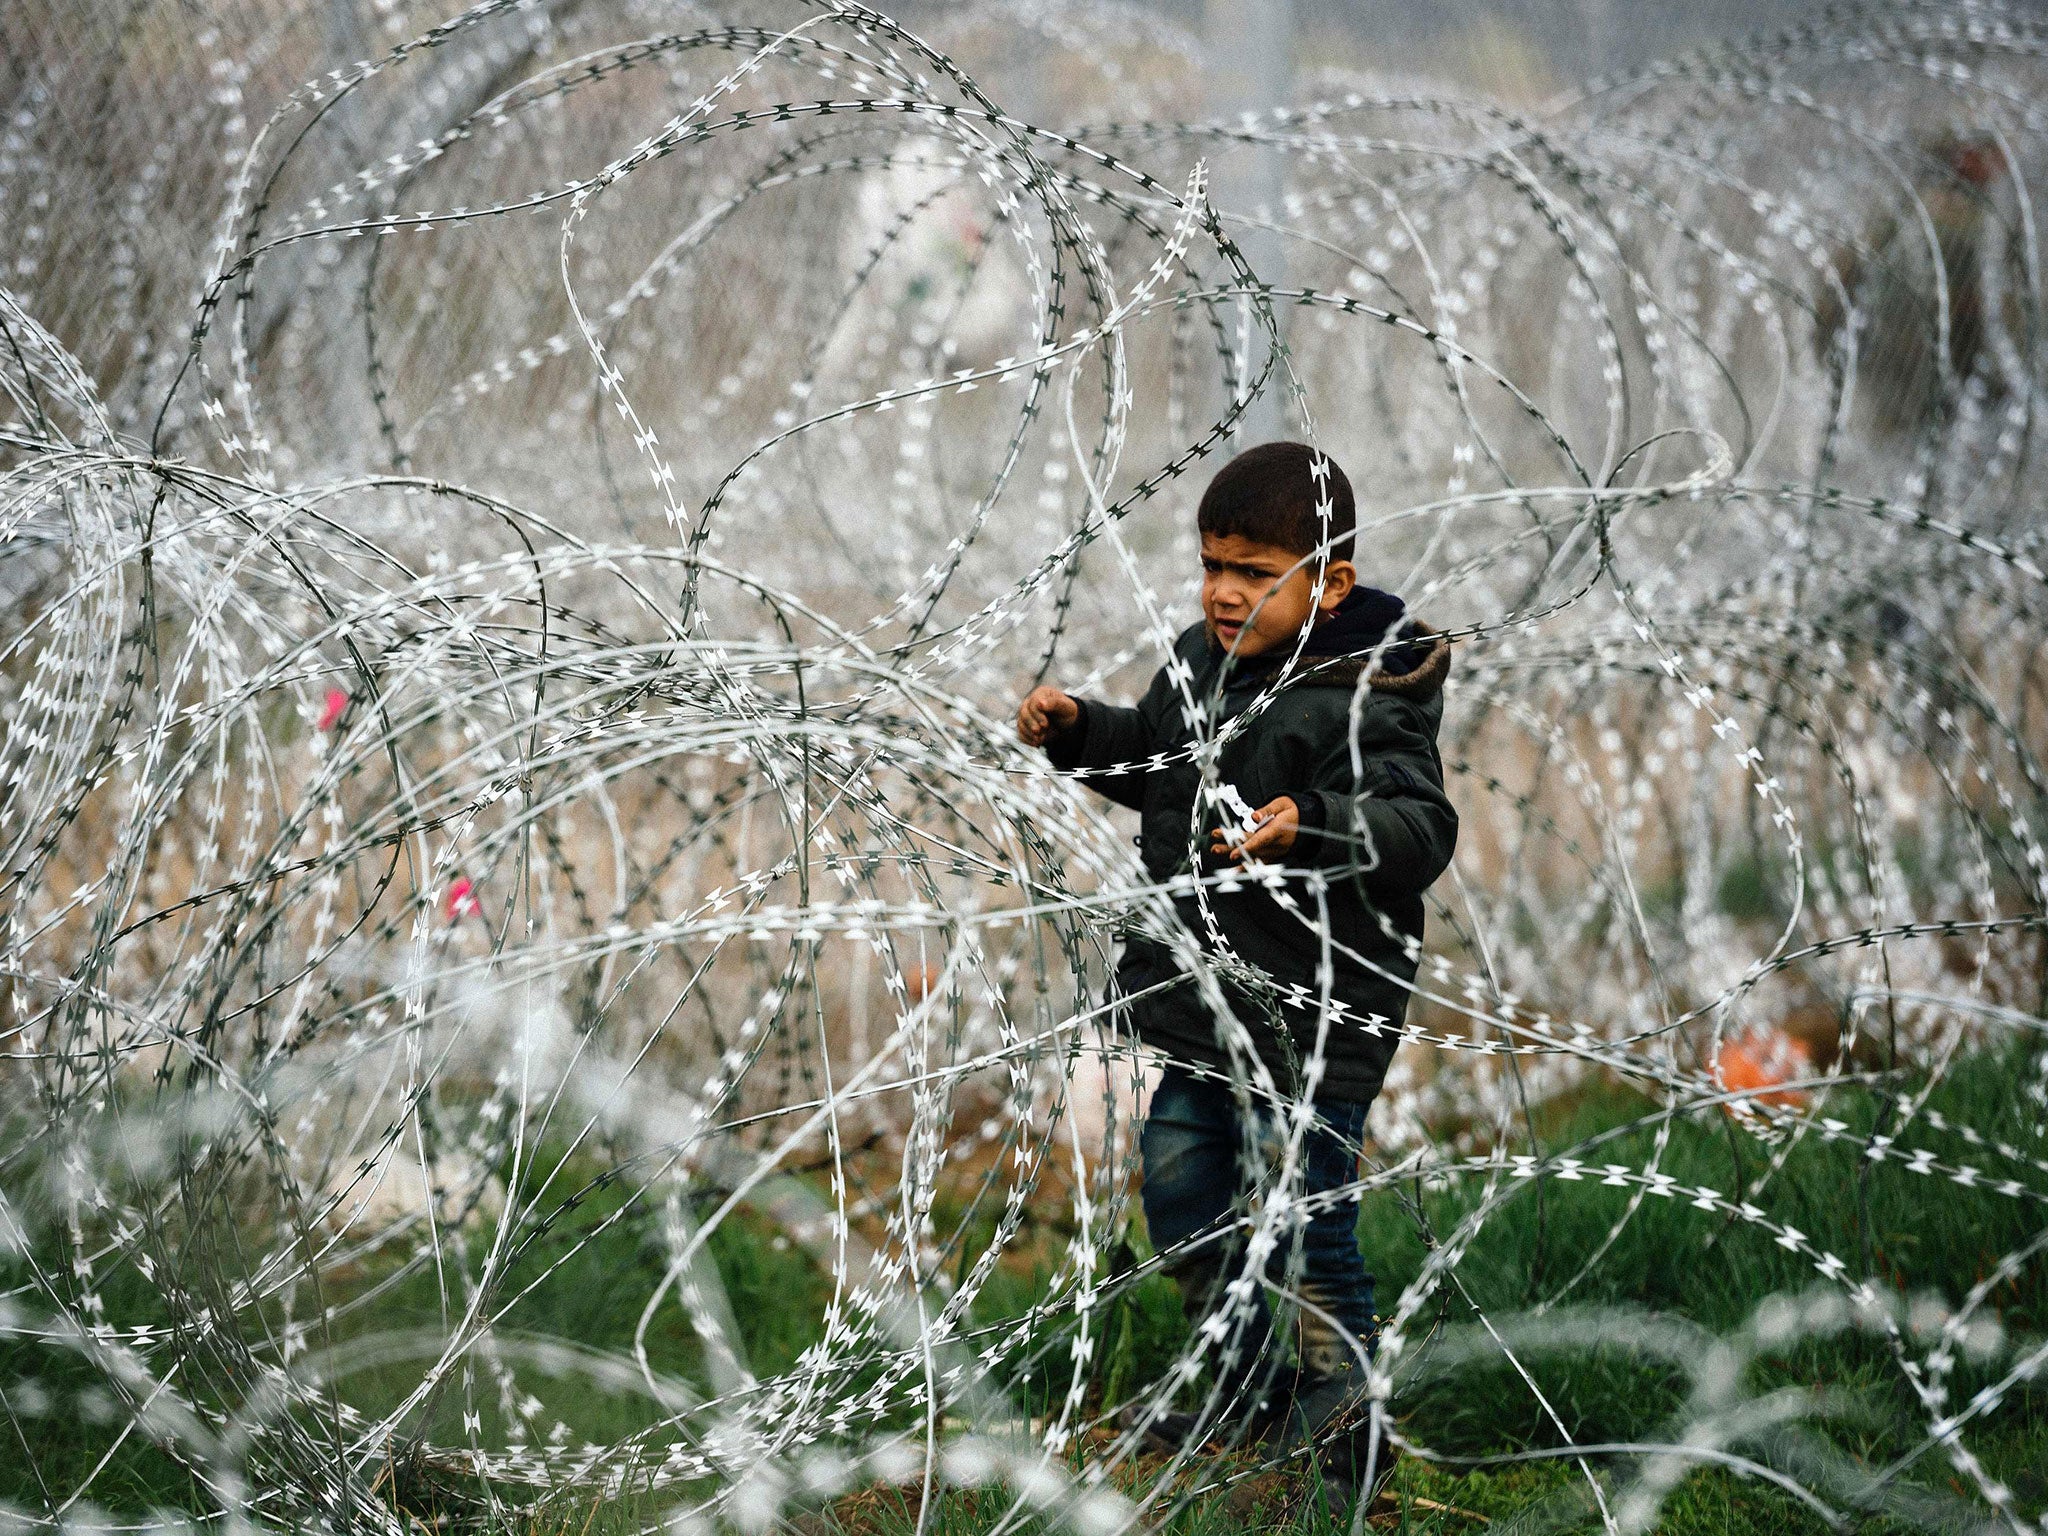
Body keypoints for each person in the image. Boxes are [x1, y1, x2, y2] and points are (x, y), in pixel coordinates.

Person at [1016, 440, 1457, 1499]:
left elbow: (1420, 824)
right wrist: (1080, 734)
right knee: (1178, 1189)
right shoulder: (1196, 666)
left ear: (1328, 583)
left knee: (1309, 1222)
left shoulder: (1367, 692)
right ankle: (1237, 1373)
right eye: (1212, 565)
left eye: (1255, 574)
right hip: (1201, 1002)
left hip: (1314, 1015)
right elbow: (1157, 766)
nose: (1222, 592)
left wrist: (1311, 825)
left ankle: (1336, 1424)